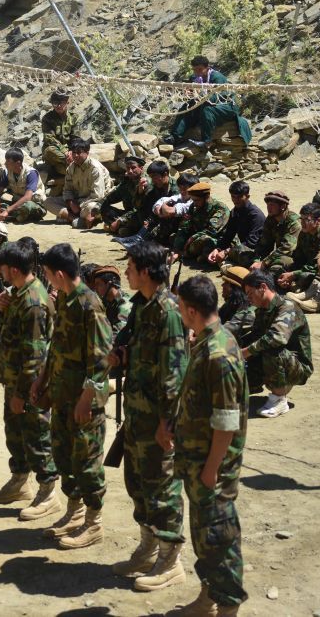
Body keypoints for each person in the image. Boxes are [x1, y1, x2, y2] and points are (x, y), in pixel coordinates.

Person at [109, 242, 188, 592]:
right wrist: (121, 355)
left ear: (145, 271)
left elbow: (174, 373)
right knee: (138, 483)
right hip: (138, 413)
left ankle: (171, 560)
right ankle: (148, 545)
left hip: (158, 418)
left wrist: (166, 423)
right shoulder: (142, 307)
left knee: (162, 488)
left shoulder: (168, 311)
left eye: (130, 267)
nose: (125, 272)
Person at [169, 275, 248, 616]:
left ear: (190, 310)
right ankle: (208, 598)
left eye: (179, 307)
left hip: (211, 468)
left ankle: (228, 607)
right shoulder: (207, 341)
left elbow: (227, 422)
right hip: (198, 461)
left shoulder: (218, 354)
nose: (177, 312)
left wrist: (212, 470)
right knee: (204, 536)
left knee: (219, 538)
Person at [33, 243, 113, 549]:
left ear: (60, 274)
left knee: (87, 461)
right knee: (64, 456)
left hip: (83, 401)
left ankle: (94, 522)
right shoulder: (65, 299)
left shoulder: (89, 305)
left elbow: (101, 358)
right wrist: (42, 378)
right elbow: (57, 346)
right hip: (62, 394)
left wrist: (85, 399)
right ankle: (75, 511)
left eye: (48, 274)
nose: (47, 279)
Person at [0, 240, 60, 520]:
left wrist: (22, 393)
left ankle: (48, 492)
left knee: (37, 438)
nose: (0, 272)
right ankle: (20, 482)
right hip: (15, 380)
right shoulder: (20, 293)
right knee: (16, 435)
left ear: (14, 269)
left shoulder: (33, 302)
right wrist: (3, 309)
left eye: (3, 268)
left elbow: (34, 355)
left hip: (29, 387)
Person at [239, 269, 313, 419]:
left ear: (263, 287)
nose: (249, 298)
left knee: (270, 347)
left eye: (250, 293)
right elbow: (255, 335)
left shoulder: (287, 307)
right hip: (280, 362)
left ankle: (279, 400)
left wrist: (246, 352)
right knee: (250, 347)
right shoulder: (263, 310)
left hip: (297, 366)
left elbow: (277, 337)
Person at [165, 55, 252, 147]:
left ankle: (206, 141)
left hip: (226, 106)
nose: (197, 72)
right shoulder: (194, 78)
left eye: (199, 69)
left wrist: (199, 95)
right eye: (194, 70)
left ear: (207, 68)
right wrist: (188, 93)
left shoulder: (218, 78)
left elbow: (219, 97)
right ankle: (176, 136)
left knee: (208, 110)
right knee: (187, 107)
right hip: (205, 102)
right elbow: (191, 92)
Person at [227, 191, 300, 279]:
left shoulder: (294, 223)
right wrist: (257, 260)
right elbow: (264, 244)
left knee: (277, 266)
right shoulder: (271, 219)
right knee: (240, 251)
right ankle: (256, 273)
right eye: (268, 204)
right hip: (275, 256)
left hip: (293, 258)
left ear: (283, 207)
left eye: (272, 205)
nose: (269, 208)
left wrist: (264, 263)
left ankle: (258, 278)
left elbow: (287, 249)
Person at [282, 203, 320, 312]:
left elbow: (317, 266)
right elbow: (299, 258)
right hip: (309, 268)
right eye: (301, 219)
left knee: (306, 274)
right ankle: (299, 288)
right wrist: (290, 272)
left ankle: (316, 297)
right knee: (285, 264)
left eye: (306, 220)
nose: (302, 223)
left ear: (318, 221)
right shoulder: (305, 233)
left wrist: (294, 274)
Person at [44, 138, 111, 228]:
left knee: (91, 208)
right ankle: (73, 218)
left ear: (87, 153)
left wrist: (79, 206)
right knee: (48, 202)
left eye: (79, 153)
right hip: (77, 201)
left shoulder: (95, 168)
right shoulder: (71, 168)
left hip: (93, 201)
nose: (75, 155)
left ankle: (72, 216)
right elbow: (67, 189)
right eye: (73, 152)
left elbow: (98, 195)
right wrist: (71, 203)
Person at [206, 181, 265, 267]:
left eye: (240, 197)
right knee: (210, 248)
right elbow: (228, 235)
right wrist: (218, 249)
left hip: (257, 251)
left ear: (247, 196)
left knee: (243, 257)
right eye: (233, 197)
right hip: (243, 248)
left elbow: (252, 243)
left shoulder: (256, 215)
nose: (236, 200)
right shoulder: (235, 212)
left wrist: (227, 251)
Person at [169, 183, 230, 264]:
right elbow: (185, 226)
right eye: (193, 200)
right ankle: (190, 253)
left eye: (197, 200)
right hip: (197, 236)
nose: (194, 203)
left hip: (217, 239)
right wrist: (176, 250)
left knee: (204, 240)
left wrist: (192, 238)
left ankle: (191, 254)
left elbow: (212, 231)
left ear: (206, 197)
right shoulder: (193, 207)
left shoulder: (220, 208)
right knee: (173, 237)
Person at [0, 148, 47, 224]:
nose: (5, 163)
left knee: (27, 206)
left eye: (8, 161)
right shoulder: (7, 172)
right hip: (17, 203)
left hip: (35, 204)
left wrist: (7, 210)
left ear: (18, 163)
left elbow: (27, 197)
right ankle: (14, 215)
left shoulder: (31, 173)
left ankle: (11, 215)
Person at [99, 157, 152, 236]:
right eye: (128, 168)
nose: (130, 171)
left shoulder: (145, 183)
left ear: (141, 168)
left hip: (141, 215)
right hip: (128, 214)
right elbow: (112, 196)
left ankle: (127, 230)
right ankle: (123, 229)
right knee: (104, 208)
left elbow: (138, 208)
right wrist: (96, 208)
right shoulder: (127, 181)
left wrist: (120, 220)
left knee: (137, 218)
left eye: (133, 168)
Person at [41, 91, 78, 191]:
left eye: (62, 102)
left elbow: (76, 138)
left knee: (83, 149)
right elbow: (49, 138)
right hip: (56, 151)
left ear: (67, 103)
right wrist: (65, 152)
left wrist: (72, 151)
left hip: (70, 153)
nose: (58, 105)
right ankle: (76, 165)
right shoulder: (47, 118)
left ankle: (71, 169)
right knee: (49, 151)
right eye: (55, 103)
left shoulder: (73, 117)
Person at [88, 265, 132, 337]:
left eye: (98, 284)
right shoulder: (107, 302)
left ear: (109, 284)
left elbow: (117, 336)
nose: (95, 288)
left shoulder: (124, 305)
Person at [218, 265, 255, 345]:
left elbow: (219, 335)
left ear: (235, 289)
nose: (222, 285)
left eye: (226, 283)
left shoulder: (247, 313)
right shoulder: (235, 302)